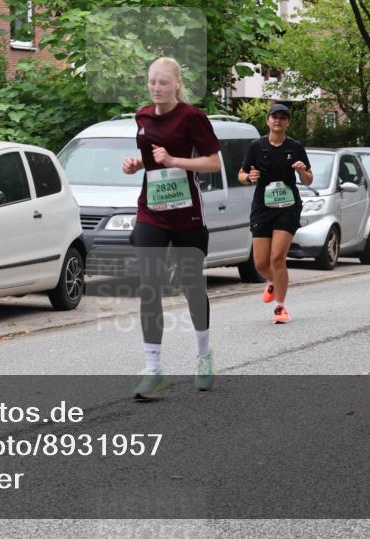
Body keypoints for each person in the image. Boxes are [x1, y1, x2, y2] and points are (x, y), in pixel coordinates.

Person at [122, 57, 221, 399]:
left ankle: (204, 355)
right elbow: (151, 160)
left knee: (191, 286)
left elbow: (213, 163)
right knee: (149, 285)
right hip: (151, 211)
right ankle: (153, 368)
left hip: (187, 215)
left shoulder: (192, 117)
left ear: (177, 84)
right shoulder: (142, 116)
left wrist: (174, 160)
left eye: (163, 82)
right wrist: (136, 165)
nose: (157, 88)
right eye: (152, 82)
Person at [236, 103, 312, 324]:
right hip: (262, 207)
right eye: (274, 117)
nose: (278, 120)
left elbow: (309, 179)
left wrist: (301, 171)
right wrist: (249, 177)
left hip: (288, 207)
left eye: (282, 117)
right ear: (268, 120)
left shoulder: (295, 147)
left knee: (277, 257)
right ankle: (275, 281)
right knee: (261, 264)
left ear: (288, 122)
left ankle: (280, 307)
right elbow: (241, 174)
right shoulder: (256, 146)